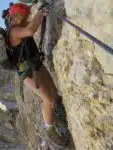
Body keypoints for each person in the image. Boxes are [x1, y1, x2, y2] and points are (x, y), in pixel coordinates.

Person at [8, 3, 69, 147]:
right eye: (26, 14)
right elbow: (30, 30)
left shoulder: (20, 26)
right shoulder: (14, 31)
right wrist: (40, 12)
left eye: (28, 14)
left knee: (53, 92)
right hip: (28, 72)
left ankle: (57, 113)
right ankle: (50, 129)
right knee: (47, 98)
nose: (28, 16)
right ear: (17, 16)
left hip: (36, 65)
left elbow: (31, 25)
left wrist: (40, 14)